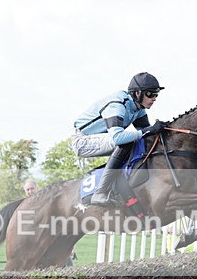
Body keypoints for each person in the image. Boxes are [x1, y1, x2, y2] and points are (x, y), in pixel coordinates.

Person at [71, 72, 168, 206]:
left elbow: (147, 135)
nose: (154, 98)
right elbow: (118, 138)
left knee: (140, 142)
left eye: (156, 94)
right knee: (126, 141)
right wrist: (147, 131)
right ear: (137, 93)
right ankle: (101, 192)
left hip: (101, 138)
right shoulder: (117, 104)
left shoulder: (139, 108)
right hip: (82, 141)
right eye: (150, 94)